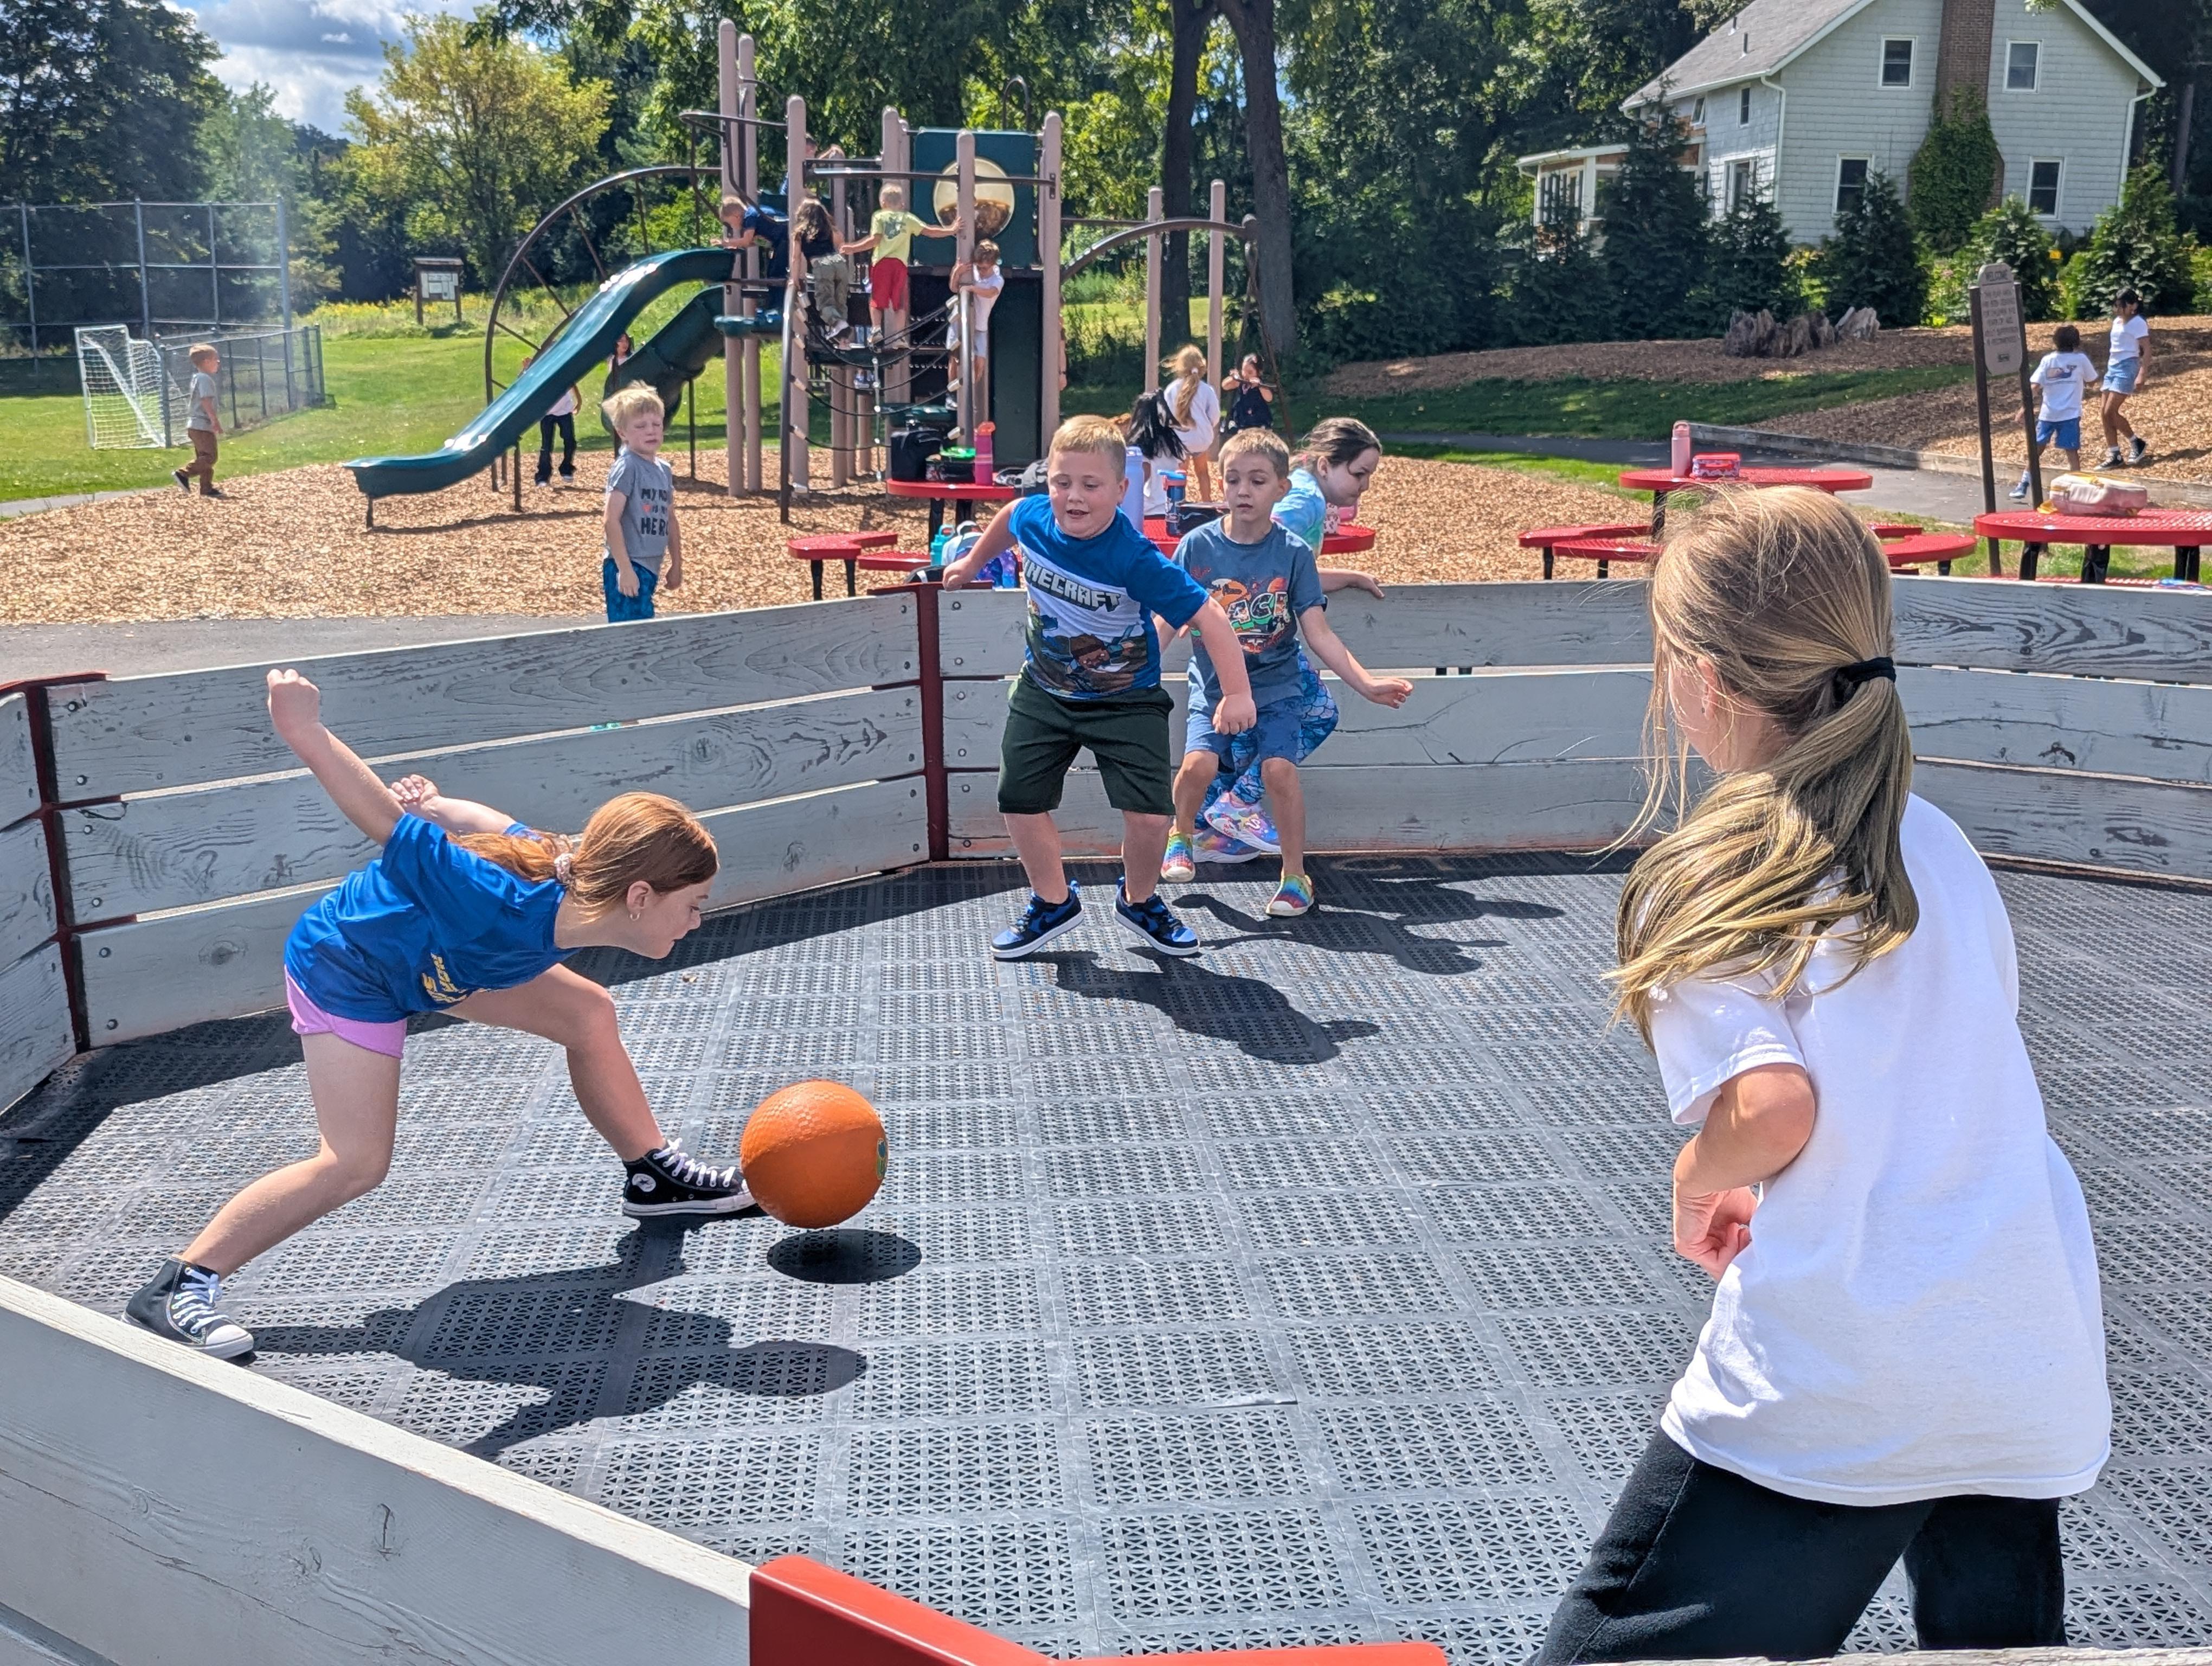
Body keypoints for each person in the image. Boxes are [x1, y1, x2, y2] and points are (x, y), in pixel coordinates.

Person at [1534, 487, 2107, 1663]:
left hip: (1845, 1372)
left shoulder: (1722, 871)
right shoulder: (1935, 842)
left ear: (1698, 680)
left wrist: (1701, 1179)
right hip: (2017, 1352)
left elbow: (1774, 1106)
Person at [124, 670, 749, 1359]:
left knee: (588, 1013)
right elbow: (383, 822)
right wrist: (305, 731)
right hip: (349, 968)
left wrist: (441, 803)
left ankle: (653, 1177)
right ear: (638, 895)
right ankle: (178, 1286)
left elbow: (486, 824)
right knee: (356, 1162)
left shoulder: (559, 871)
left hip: (445, 968)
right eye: (692, 902)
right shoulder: (490, 896)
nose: (697, 919)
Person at [936, 414, 1256, 959]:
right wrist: (969, 563)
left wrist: (1238, 692)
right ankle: (1053, 901)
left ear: (1121, 490)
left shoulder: (1132, 558)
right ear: (1048, 481)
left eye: (1091, 485)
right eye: (1063, 482)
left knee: (1152, 817)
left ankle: (1140, 900)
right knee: (1018, 800)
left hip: (1125, 697)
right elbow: (1011, 516)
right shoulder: (1035, 517)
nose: (1073, 497)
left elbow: (1209, 616)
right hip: (1045, 689)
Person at [1162, 428, 1411, 917]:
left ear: (1282, 488)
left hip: (1276, 686)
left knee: (1279, 770)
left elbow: (1318, 633)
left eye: (1257, 481)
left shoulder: (1293, 552)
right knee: (1199, 766)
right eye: (1232, 480)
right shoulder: (1197, 548)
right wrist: (1138, 664)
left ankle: (1295, 875)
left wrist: (1366, 684)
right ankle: (1181, 835)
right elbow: (1169, 618)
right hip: (1212, 688)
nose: (1242, 491)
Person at [1200, 416, 1385, 853]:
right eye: (1359, 473)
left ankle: (1216, 825)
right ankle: (1236, 804)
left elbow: (1292, 570)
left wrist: (1348, 576)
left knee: (1247, 736)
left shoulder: (1305, 495)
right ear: (1325, 465)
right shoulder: (1303, 501)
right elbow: (1263, 556)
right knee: (1319, 715)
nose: (1364, 485)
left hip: (1252, 634)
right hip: (1264, 641)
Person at [602, 386, 681, 623]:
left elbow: (670, 519)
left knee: (644, 630)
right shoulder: (627, 466)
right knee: (632, 635)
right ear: (622, 432)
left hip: (652, 564)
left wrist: (677, 564)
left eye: (656, 424)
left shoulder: (663, 470)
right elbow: (610, 519)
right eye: (640, 426)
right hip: (628, 563)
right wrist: (624, 569)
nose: (651, 431)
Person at [843, 183, 957, 337]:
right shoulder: (908, 218)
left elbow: (874, 240)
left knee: (877, 299)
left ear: (883, 203)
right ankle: (899, 336)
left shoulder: (879, 216)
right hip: (900, 265)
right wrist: (951, 230)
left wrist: (853, 248)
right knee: (900, 302)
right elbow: (930, 231)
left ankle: (876, 330)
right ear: (902, 203)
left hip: (881, 263)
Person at [2011, 324, 2097, 499]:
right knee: (2072, 452)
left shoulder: (2048, 360)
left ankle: (2024, 484)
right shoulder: (2080, 360)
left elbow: (2034, 386)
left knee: (2036, 450)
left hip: (2048, 415)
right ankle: (2078, 490)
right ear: (2076, 343)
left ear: (2055, 343)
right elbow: (2093, 380)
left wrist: (2024, 408)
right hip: (2070, 415)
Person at [947, 241, 1006, 411]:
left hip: (980, 325)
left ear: (993, 264)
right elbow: (954, 287)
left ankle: (968, 394)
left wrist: (973, 288)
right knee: (955, 356)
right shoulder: (970, 270)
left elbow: (991, 292)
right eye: (979, 267)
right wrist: (956, 274)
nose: (980, 271)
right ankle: (952, 395)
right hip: (960, 319)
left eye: (984, 269)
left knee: (979, 362)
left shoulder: (997, 278)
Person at [2099, 289, 2151, 467]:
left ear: (2133, 305)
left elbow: (2147, 349)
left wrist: (2142, 373)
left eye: (2122, 306)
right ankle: (2115, 454)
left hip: (2127, 366)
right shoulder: (2117, 322)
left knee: (2110, 411)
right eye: (2117, 306)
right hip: (2112, 366)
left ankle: (2136, 442)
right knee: (2104, 414)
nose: (2119, 309)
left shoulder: (2138, 323)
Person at [1164, 345, 1221, 497]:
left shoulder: (1172, 389)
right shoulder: (1207, 390)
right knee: (1203, 472)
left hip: (1180, 440)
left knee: (1180, 473)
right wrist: (1206, 426)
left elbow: (1166, 415)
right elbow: (1215, 415)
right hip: (1201, 439)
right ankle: (1207, 502)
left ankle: (1178, 502)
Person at [1124, 388, 1187, 518]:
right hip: (1170, 508)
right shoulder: (1172, 443)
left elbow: (1140, 480)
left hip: (1147, 510)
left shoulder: (1140, 447)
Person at [172, 343, 222, 498]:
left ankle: (206, 488)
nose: (218, 362)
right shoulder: (205, 379)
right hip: (202, 424)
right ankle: (183, 474)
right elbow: (206, 400)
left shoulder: (197, 378)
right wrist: (214, 420)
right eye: (216, 359)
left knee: (204, 457)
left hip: (194, 425)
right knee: (210, 457)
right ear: (207, 361)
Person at [529, 354, 580, 486]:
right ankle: (543, 476)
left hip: (564, 411)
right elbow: (526, 382)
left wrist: (579, 401)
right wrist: (526, 370)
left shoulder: (563, 369)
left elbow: (572, 383)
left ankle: (566, 468)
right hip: (547, 413)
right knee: (546, 445)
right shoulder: (540, 371)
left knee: (570, 440)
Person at [1215, 354, 1275, 458]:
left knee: (1260, 442)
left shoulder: (1261, 385)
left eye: (1250, 373)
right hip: (1242, 419)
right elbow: (1225, 386)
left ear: (1259, 372)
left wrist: (1260, 385)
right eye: (1244, 371)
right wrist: (1234, 378)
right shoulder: (1241, 383)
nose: (1246, 375)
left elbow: (1269, 398)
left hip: (1258, 419)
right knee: (1240, 437)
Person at [719, 193, 789, 281]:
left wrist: (726, 242)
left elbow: (746, 241)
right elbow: (757, 242)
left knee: (775, 275)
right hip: (781, 240)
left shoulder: (749, 217)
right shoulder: (752, 215)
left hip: (785, 238)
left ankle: (779, 294)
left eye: (730, 223)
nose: (731, 226)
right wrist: (740, 244)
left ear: (736, 215)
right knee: (772, 273)